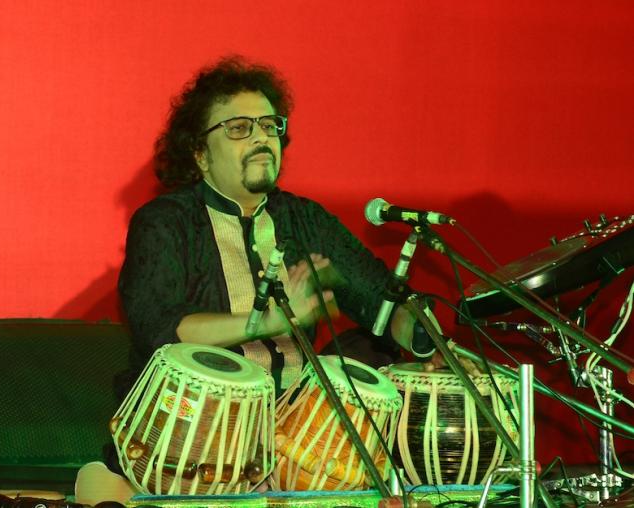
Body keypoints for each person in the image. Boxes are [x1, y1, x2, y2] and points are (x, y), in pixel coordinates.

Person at [75, 56, 437, 505]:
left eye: (269, 125)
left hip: (295, 440)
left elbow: (382, 300)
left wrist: (427, 340)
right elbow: (159, 329)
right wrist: (265, 323)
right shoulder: (166, 222)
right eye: (239, 128)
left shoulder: (306, 221)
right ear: (200, 153)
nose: (262, 137)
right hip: (193, 437)